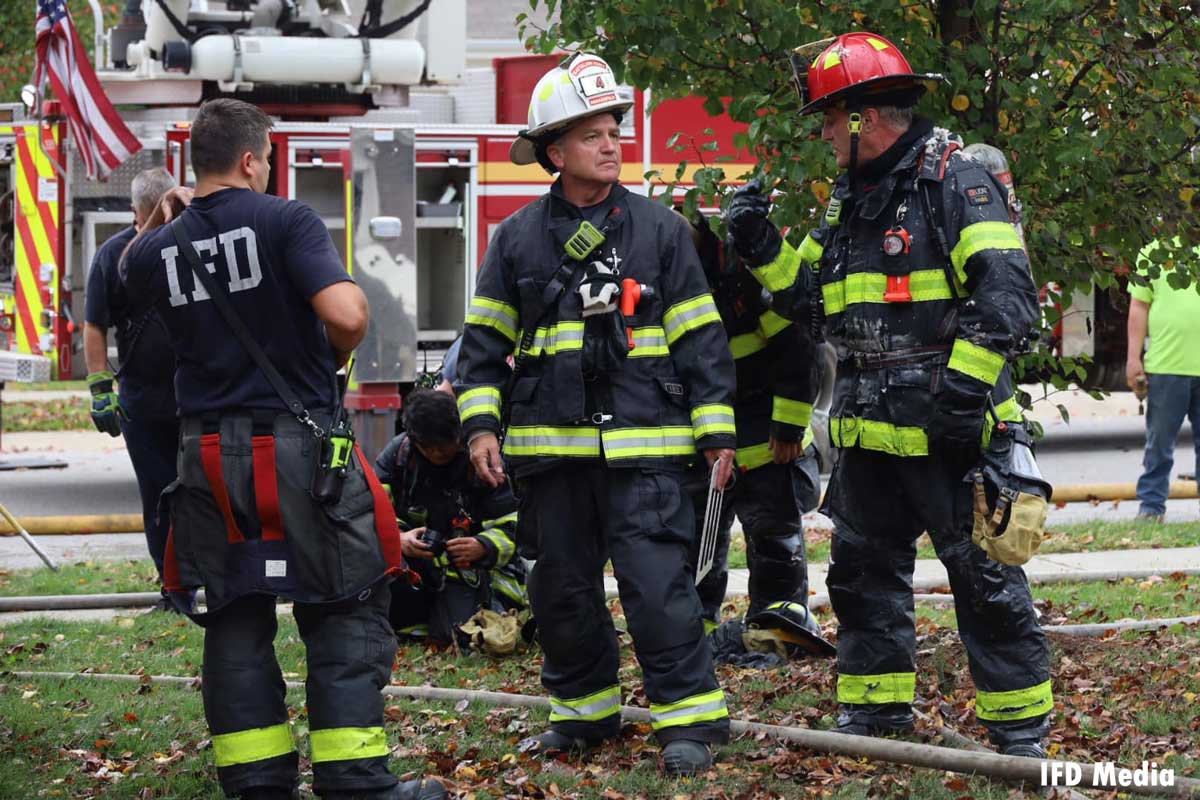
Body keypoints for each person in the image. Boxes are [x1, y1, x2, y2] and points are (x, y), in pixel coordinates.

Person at [727, 32, 1052, 757]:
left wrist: (964, 398)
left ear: (863, 117)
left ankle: (1020, 732)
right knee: (863, 582)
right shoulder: (849, 203)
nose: (822, 134)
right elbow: (807, 307)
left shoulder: (957, 181)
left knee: (987, 586)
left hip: (955, 432)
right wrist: (758, 244)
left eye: (827, 120)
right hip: (870, 438)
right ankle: (875, 718)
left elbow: (1007, 297)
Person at [121, 98, 444, 800]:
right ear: (249, 160)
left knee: (236, 611)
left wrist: (160, 214)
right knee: (345, 602)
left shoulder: (155, 250)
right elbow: (349, 316)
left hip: (203, 460)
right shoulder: (286, 219)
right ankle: (356, 782)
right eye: (265, 158)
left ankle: (258, 783)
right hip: (295, 453)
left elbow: (129, 267)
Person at [455, 52, 737, 776]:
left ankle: (691, 722)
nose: (612, 145)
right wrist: (480, 426)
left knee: (658, 591)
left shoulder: (662, 232)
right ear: (555, 152)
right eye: (592, 135)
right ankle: (582, 714)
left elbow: (701, 340)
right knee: (563, 595)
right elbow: (482, 347)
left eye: (614, 131)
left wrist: (717, 434)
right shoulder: (515, 240)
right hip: (553, 462)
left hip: (648, 454)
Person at [685, 218, 832, 658]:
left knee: (774, 545)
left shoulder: (744, 278)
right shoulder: (673, 281)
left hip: (768, 443)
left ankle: (778, 629)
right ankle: (698, 634)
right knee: (699, 544)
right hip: (708, 445)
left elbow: (799, 346)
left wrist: (788, 428)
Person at [83, 167, 184, 612]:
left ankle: (213, 585)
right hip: (146, 403)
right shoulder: (113, 256)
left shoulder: (190, 246)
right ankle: (174, 590)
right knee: (159, 496)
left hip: (196, 398)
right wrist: (100, 387)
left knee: (203, 497)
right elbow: (94, 324)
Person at [374, 389, 526, 643]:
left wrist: (484, 546)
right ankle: (408, 624)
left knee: (467, 635)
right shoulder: (399, 457)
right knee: (377, 559)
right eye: (429, 448)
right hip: (419, 565)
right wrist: (399, 539)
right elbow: (371, 511)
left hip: (476, 568)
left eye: (446, 446)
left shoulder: (483, 457)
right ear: (414, 440)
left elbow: (519, 522)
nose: (438, 454)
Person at [1126, 236, 1200, 522]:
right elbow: (1138, 308)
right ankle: (1151, 509)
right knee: (1159, 445)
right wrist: (1134, 359)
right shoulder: (1153, 252)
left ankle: (1151, 507)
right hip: (1166, 366)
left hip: (1170, 368)